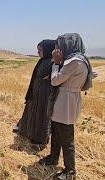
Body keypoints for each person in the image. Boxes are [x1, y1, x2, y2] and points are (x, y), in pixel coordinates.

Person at [38, 33, 92, 180]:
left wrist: (56, 63)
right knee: (56, 131)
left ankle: (70, 171)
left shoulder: (74, 61)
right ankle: (53, 158)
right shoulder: (77, 60)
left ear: (68, 45)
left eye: (59, 46)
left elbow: (56, 81)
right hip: (64, 101)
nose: (56, 50)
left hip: (65, 103)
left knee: (66, 138)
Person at [15, 40, 55, 147]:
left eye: (40, 50)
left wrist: (50, 77)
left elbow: (57, 77)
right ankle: (27, 132)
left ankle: (39, 138)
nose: (38, 52)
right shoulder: (42, 61)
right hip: (36, 91)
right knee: (32, 111)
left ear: (47, 50)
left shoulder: (53, 62)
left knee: (41, 114)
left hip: (44, 94)